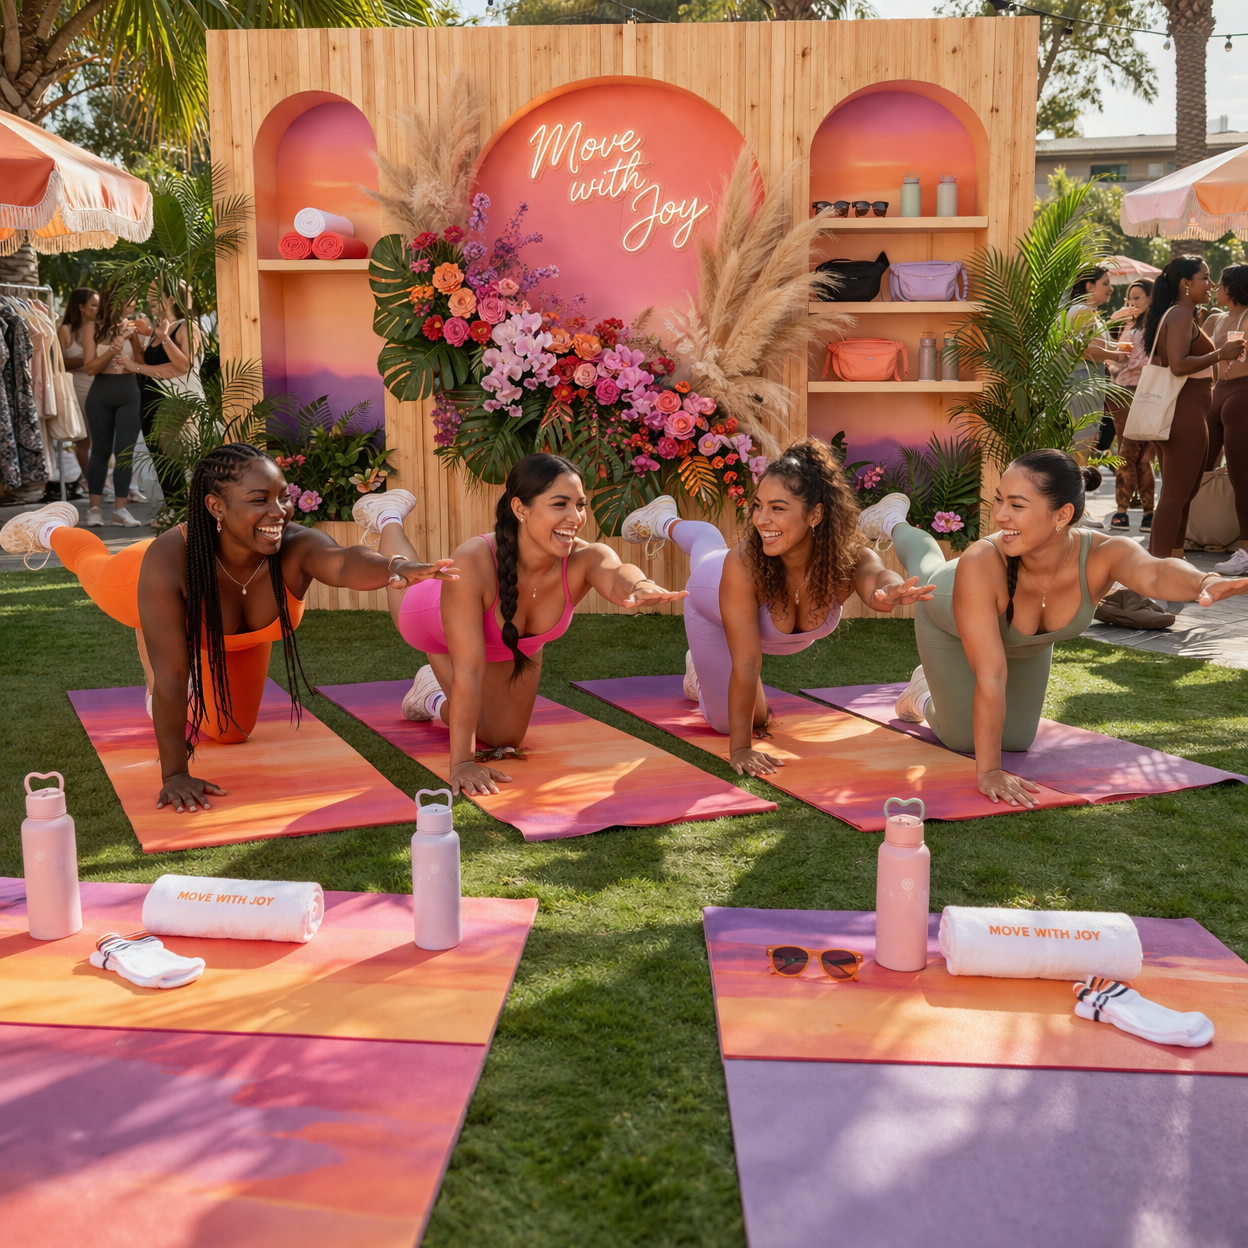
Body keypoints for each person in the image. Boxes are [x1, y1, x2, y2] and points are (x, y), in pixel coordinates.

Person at [1, 442, 456, 813]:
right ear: (216, 505)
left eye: (282, 496)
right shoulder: (168, 559)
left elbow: (341, 561)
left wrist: (396, 564)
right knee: (95, 568)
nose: (279, 511)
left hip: (234, 633)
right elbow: (173, 678)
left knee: (234, 731)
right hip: (139, 583)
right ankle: (52, 529)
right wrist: (175, 772)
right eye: (260, 500)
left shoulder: (294, 545)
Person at [863, 450, 1248, 807]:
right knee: (963, 734)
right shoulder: (984, 560)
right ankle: (894, 524)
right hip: (945, 608)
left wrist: (1203, 582)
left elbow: (1156, 571)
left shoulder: (1103, 554)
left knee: (1016, 739)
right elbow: (992, 676)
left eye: (1017, 505)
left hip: (1025, 643)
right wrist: (989, 772)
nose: (999, 516)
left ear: (1061, 515)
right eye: (1000, 500)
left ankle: (896, 524)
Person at [353, 453, 687, 797]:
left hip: (507, 645)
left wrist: (639, 586)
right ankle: (388, 517)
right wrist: (462, 763)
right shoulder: (474, 559)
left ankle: (432, 696)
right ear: (521, 508)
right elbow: (469, 671)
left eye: (581, 505)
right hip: (429, 618)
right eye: (560, 504)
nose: (575, 518)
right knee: (404, 570)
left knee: (505, 739)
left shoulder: (585, 558)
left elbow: (616, 572)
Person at [619, 438, 936, 778]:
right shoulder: (745, 563)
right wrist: (741, 749)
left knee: (712, 553)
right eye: (758, 505)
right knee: (734, 723)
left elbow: (875, 578)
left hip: (734, 591)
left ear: (814, 514)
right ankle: (666, 521)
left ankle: (702, 668)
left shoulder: (845, 560)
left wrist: (888, 591)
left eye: (778, 508)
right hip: (710, 601)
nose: (762, 519)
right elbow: (746, 662)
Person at [119, 283, 197, 513]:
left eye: (155, 293)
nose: (149, 297)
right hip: (151, 399)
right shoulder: (159, 328)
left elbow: (183, 366)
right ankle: (176, 510)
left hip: (173, 400)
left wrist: (137, 366)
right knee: (159, 458)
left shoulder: (185, 327)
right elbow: (146, 363)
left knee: (171, 458)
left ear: (172, 299)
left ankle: (183, 512)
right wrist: (135, 341)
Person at [1067, 268, 1131, 526]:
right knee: (1079, 446)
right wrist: (1116, 355)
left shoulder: (1087, 312)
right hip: (1081, 384)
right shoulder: (1081, 312)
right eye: (1106, 283)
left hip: (1087, 384)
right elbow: (1083, 348)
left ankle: (1076, 508)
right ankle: (1074, 512)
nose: (1111, 288)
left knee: (1083, 446)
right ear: (1089, 286)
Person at [82, 290, 151, 528]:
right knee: (100, 450)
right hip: (100, 393)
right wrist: (113, 347)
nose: (132, 305)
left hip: (129, 393)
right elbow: (90, 368)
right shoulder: (93, 327)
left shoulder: (134, 326)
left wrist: (133, 339)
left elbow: (141, 364)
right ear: (116, 302)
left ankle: (120, 510)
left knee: (124, 452)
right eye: (129, 301)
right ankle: (94, 508)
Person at [1104, 279, 1156, 532]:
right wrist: (1113, 361)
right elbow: (1119, 361)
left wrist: (1118, 359)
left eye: (1137, 297)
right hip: (1121, 392)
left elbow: (1143, 361)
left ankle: (1139, 512)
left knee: (1141, 456)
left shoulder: (1156, 326)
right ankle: (1133, 512)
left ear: (1151, 298)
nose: (1132, 303)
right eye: (1130, 298)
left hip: (1144, 392)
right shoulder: (1128, 323)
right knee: (1128, 454)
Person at [1205, 264, 1248, 575]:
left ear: (1234, 287)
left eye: (1220, 284)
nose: (1215, 289)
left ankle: (1245, 550)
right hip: (1214, 394)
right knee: (1197, 469)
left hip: (1242, 396)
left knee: (1241, 477)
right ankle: (1188, 537)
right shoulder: (1213, 319)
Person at [56, 287, 99, 491]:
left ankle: (94, 480)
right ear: (80, 307)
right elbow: (59, 363)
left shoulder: (99, 329)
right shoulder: (65, 330)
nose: (97, 309)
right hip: (78, 388)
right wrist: (89, 360)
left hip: (100, 386)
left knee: (103, 439)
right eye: (93, 305)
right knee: (84, 440)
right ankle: (92, 482)